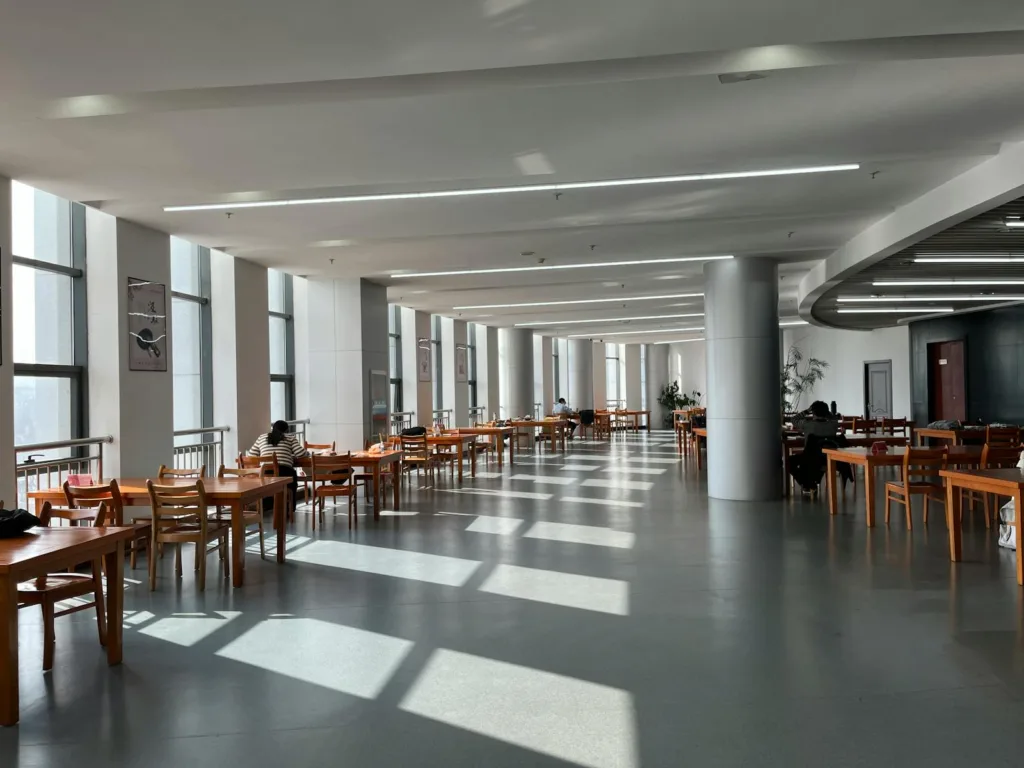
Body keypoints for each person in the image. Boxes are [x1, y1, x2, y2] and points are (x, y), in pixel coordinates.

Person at [248, 420, 307, 510]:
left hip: (265, 473)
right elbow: (300, 453)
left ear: (273, 429)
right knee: (293, 478)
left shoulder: (262, 437)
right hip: (284, 471)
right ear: (286, 430)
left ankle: (266, 505)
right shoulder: (290, 438)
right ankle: (290, 508)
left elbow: (251, 454)